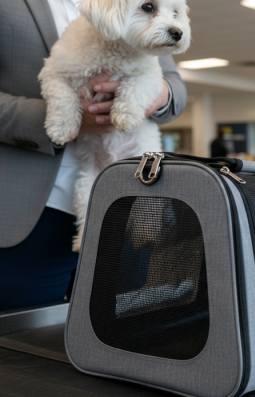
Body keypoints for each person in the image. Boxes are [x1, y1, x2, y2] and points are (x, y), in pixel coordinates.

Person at [0, 0, 187, 311]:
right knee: (22, 344)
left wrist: (154, 97)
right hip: (25, 214)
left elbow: (175, 88)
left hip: (125, 206)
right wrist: (58, 118)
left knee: (119, 334)